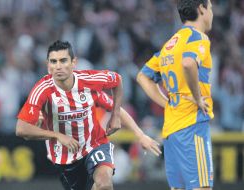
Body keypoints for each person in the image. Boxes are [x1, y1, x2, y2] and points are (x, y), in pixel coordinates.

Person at [16, 40, 160, 190]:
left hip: (94, 144)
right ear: (48, 66)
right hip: (66, 157)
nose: (58, 66)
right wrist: (57, 135)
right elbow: (21, 129)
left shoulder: (89, 82)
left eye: (63, 60)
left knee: (104, 183)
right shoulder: (42, 90)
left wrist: (132, 129)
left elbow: (117, 80)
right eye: (54, 61)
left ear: (73, 63)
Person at [136, 0, 214, 189]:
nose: (212, 13)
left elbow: (142, 77)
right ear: (202, 8)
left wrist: (167, 104)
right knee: (202, 187)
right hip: (192, 125)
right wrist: (196, 97)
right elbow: (188, 63)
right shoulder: (198, 38)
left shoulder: (170, 45)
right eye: (210, 7)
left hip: (171, 130)